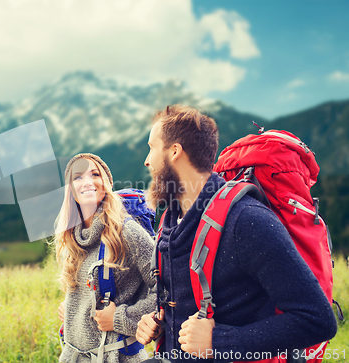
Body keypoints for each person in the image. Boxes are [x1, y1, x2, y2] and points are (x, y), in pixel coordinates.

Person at [135, 105, 337, 362]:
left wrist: (218, 341)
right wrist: (159, 322)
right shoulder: (170, 221)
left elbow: (318, 321)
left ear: (174, 151)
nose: (147, 160)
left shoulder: (246, 221)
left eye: (152, 147)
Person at [54, 153, 156, 363]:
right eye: (78, 177)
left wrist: (120, 318)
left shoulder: (127, 233)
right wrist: (73, 308)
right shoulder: (73, 238)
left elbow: (169, 288)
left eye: (94, 174)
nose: (88, 182)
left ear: (108, 183)